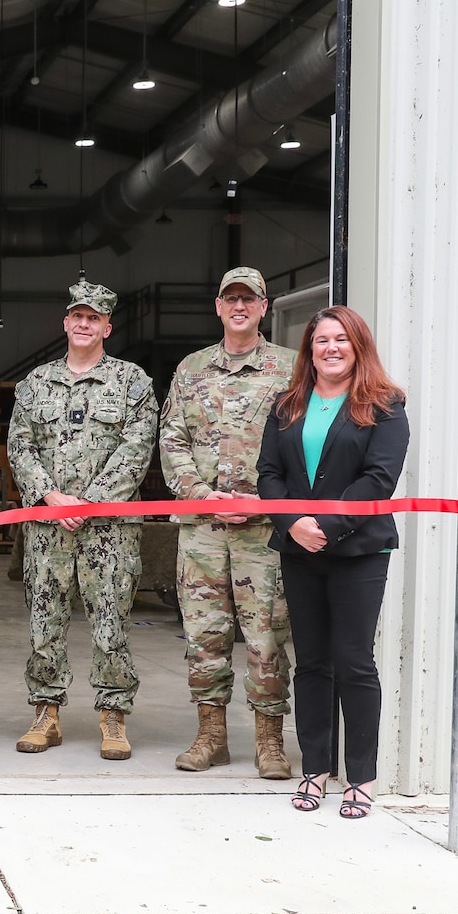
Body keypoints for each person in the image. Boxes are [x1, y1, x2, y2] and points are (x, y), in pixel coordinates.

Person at [257, 306, 408, 820]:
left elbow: (378, 479)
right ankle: (314, 769)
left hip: (359, 551)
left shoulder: (385, 406)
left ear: (358, 345)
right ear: (310, 349)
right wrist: (294, 523)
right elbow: (269, 476)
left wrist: (326, 524)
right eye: (321, 340)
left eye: (341, 339)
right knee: (313, 662)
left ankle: (360, 776)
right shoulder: (287, 405)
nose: (331, 348)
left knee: (354, 661)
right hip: (300, 549)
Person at [8, 277, 156, 760]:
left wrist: (88, 502)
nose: (84, 324)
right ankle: (46, 713)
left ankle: (113, 718)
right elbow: (19, 445)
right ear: (66, 322)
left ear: (106, 327)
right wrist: (50, 497)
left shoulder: (133, 382)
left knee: (111, 622)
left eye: (94, 318)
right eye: (78, 316)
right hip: (48, 527)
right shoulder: (36, 383)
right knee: (44, 620)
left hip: (108, 529)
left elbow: (137, 450)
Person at [159, 267, 297, 778]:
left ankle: (270, 742)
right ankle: (211, 736)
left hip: (262, 531)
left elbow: (300, 445)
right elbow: (171, 438)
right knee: (205, 636)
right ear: (218, 306)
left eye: (249, 299)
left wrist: (264, 499)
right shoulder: (191, 369)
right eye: (230, 298)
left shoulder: (289, 369)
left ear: (265, 307)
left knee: (266, 638)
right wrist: (201, 494)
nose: (239, 306)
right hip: (202, 530)